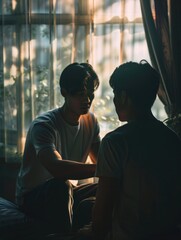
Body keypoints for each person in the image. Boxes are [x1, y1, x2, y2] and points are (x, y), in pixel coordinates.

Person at [91, 60, 181, 240]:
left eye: (116, 93)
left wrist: (91, 232)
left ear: (124, 96)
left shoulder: (115, 142)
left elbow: (102, 215)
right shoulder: (172, 139)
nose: (115, 100)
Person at [15, 62, 101, 235]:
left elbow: (101, 160)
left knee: (109, 184)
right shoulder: (45, 125)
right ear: (64, 92)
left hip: (68, 191)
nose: (88, 100)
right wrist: (102, 168)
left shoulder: (91, 121)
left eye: (90, 94)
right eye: (80, 94)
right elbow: (57, 168)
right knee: (60, 186)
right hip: (33, 196)